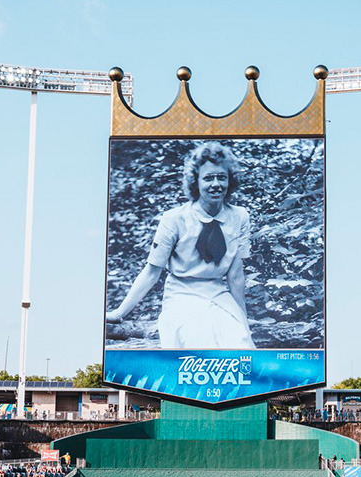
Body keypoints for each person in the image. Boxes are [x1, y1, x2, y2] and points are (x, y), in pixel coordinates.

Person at [108, 142, 254, 348]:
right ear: (196, 182)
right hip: (181, 295)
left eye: (222, 177)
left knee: (240, 343)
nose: (216, 184)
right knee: (196, 340)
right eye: (208, 178)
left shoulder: (239, 217)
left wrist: (243, 322)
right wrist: (119, 313)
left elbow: (236, 275)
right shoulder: (175, 219)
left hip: (219, 295)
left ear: (230, 181)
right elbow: (151, 273)